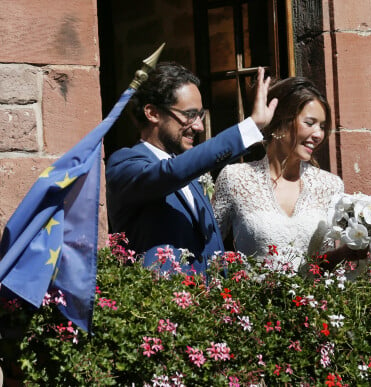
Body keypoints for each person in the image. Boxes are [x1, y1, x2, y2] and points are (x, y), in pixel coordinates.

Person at [105, 63, 277, 274]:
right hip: (160, 303)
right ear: (152, 113)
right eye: (189, 115)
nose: (199, 127)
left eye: (200, 115)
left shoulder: (192, 175)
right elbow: (173, 172)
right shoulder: (125, 164)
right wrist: (251, 126)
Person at [212, 77, 366, 273]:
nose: (318, 134)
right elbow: (209, 250)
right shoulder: (235, 178)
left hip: (315, 301)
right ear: (281, 122)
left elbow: (323, 264)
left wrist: (348, 251)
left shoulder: (330, 185)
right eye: (310, 123)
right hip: (253, 301)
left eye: (322, 126)